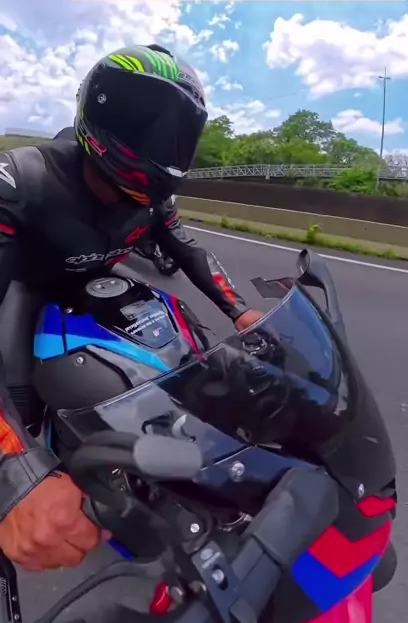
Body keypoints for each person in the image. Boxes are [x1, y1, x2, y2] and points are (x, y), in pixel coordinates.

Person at [0, 43, 262, 573]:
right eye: (151, 127)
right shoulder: (20, 180)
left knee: (191, 344)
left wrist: (240, 311)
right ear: (103, 113)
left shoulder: (155, 199)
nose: (166, 148)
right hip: (29, 285)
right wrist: (14, 476)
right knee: (18, 401)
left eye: (178, 135)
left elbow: (188, 250)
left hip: (101, 277)